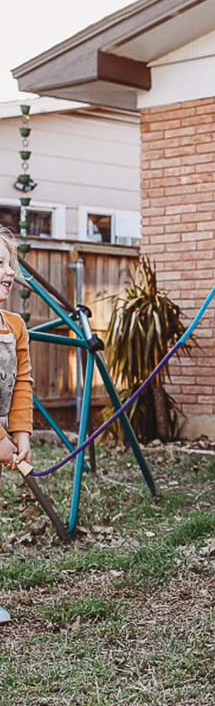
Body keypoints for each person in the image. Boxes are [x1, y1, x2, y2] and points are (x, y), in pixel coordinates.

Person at [0, 227, 34, 626]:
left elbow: (22, 381)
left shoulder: (14, 325)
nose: (9, 271)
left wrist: (20, 433)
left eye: (10, 263)